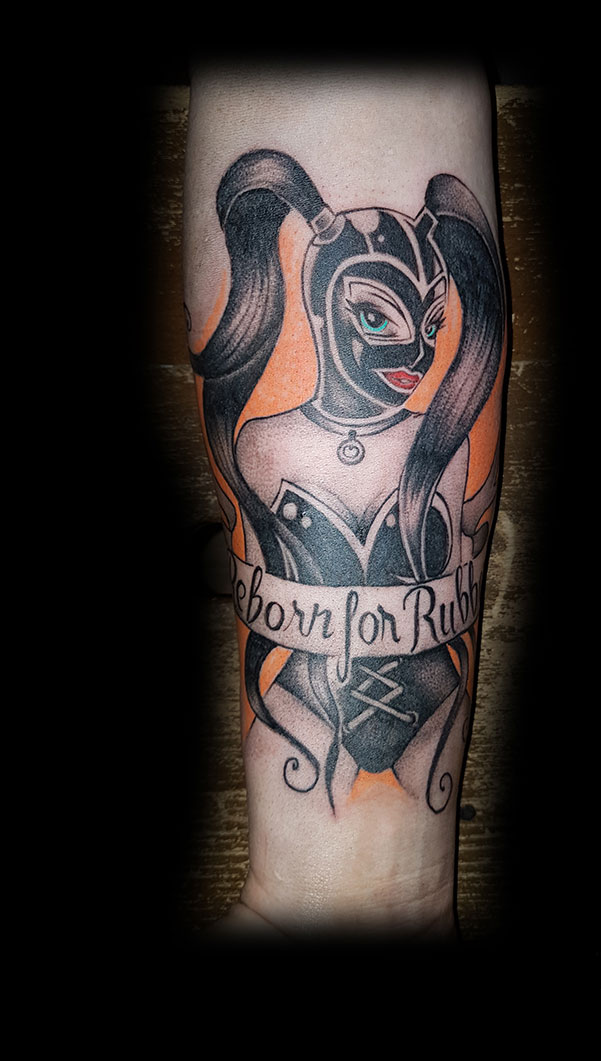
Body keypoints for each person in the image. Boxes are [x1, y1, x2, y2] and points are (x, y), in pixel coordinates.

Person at [184, 53, 508, 941]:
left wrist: (359, 896)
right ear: (323, 310)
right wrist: (344, 897)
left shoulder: (435, 449)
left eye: (430, 325)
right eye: (375, 315)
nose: (416, 356)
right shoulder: (266, 445)